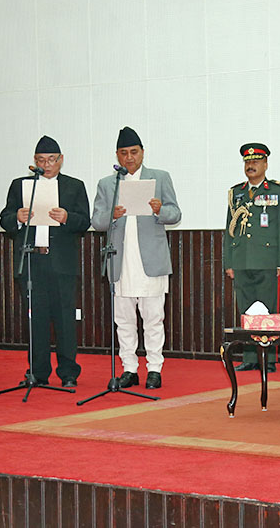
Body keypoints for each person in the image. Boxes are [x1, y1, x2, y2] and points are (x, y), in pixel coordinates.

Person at [91, 126, 181, 389]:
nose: (129, 158)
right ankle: (129, 368)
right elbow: (96, 221)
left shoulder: (160, 178)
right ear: (117, 156)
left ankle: (155, 368)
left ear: (143, 153)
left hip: (151, 261)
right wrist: (113, 216)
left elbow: (175, 214)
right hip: (120, 261)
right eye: (124, 153)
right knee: (124, 320)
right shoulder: (108, 183)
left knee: (154, 318)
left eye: (134, 152)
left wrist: (159, 209)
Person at [0, 135, 90, 389]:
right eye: (41, 160)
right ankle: (37, 372)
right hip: (31, 261)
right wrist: (17, 217)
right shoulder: (21, 186)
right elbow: (4, 219)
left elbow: (85, 222)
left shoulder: (74, 186)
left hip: (62, 263)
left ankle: (68, 373)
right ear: (34, 161)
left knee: (64, 320)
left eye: (51, 159)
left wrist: (67, 217)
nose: (47, 164)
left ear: (61, 160)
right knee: (35, 320)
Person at [224, 143, 280, 372]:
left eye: (256, 161)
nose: (251, 165)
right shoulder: (236, 192)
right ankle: (251, 357)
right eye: (247, 162)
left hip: (267, 259)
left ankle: (268, 359)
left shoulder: (278, 190)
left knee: (266, 309)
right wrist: (229, 262)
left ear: (265, 164)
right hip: (242, 260)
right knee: (246, 310)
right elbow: (229, 230)